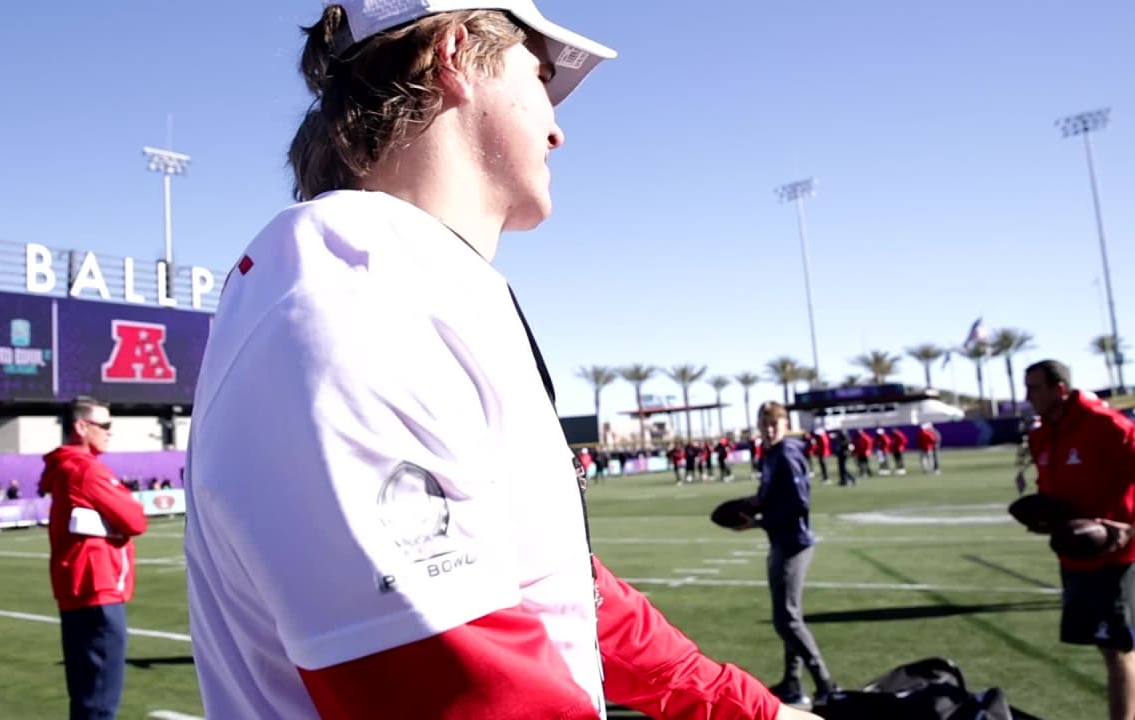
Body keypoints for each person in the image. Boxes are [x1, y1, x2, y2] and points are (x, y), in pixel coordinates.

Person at [182, 3, 820, 719]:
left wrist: (754, 712)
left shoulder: (403, 285)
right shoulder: (349, 308)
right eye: (542, 77)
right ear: (455, 55)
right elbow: (466, 692)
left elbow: (558, 587)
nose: (558, 128)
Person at [1024, 359, 1135, 720]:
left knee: (1117, 649)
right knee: (1108, 648)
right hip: (1075, 555)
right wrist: (1044, 517)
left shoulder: (1106, 426)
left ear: (1059, 389)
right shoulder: (1041, 433)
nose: (1028, 397)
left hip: (1117, 557)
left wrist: (1128, 528)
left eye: (1035, 388)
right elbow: (1052, 489)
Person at [39, 396, 148, 720]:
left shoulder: (63, 468)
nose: (110, 432)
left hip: (76, 587)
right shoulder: (87, 470)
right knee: (100, 700)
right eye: (106, 425)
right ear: (81, 427)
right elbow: (135, 520)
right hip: (96, 588)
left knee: (86, 695)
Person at [734, 402, 837, 707]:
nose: (769, 429)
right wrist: (752, 503)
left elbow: (797, 503)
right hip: (780, 540)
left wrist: (758, 520)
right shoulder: (770, 454)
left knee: (786, 620)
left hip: (793, 543)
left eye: (775, 424)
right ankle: (792, 682)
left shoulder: (787, 454)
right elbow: (773, 495)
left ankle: (826, 683)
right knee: (788, 616)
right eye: (765, 424)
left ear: (785, 424)